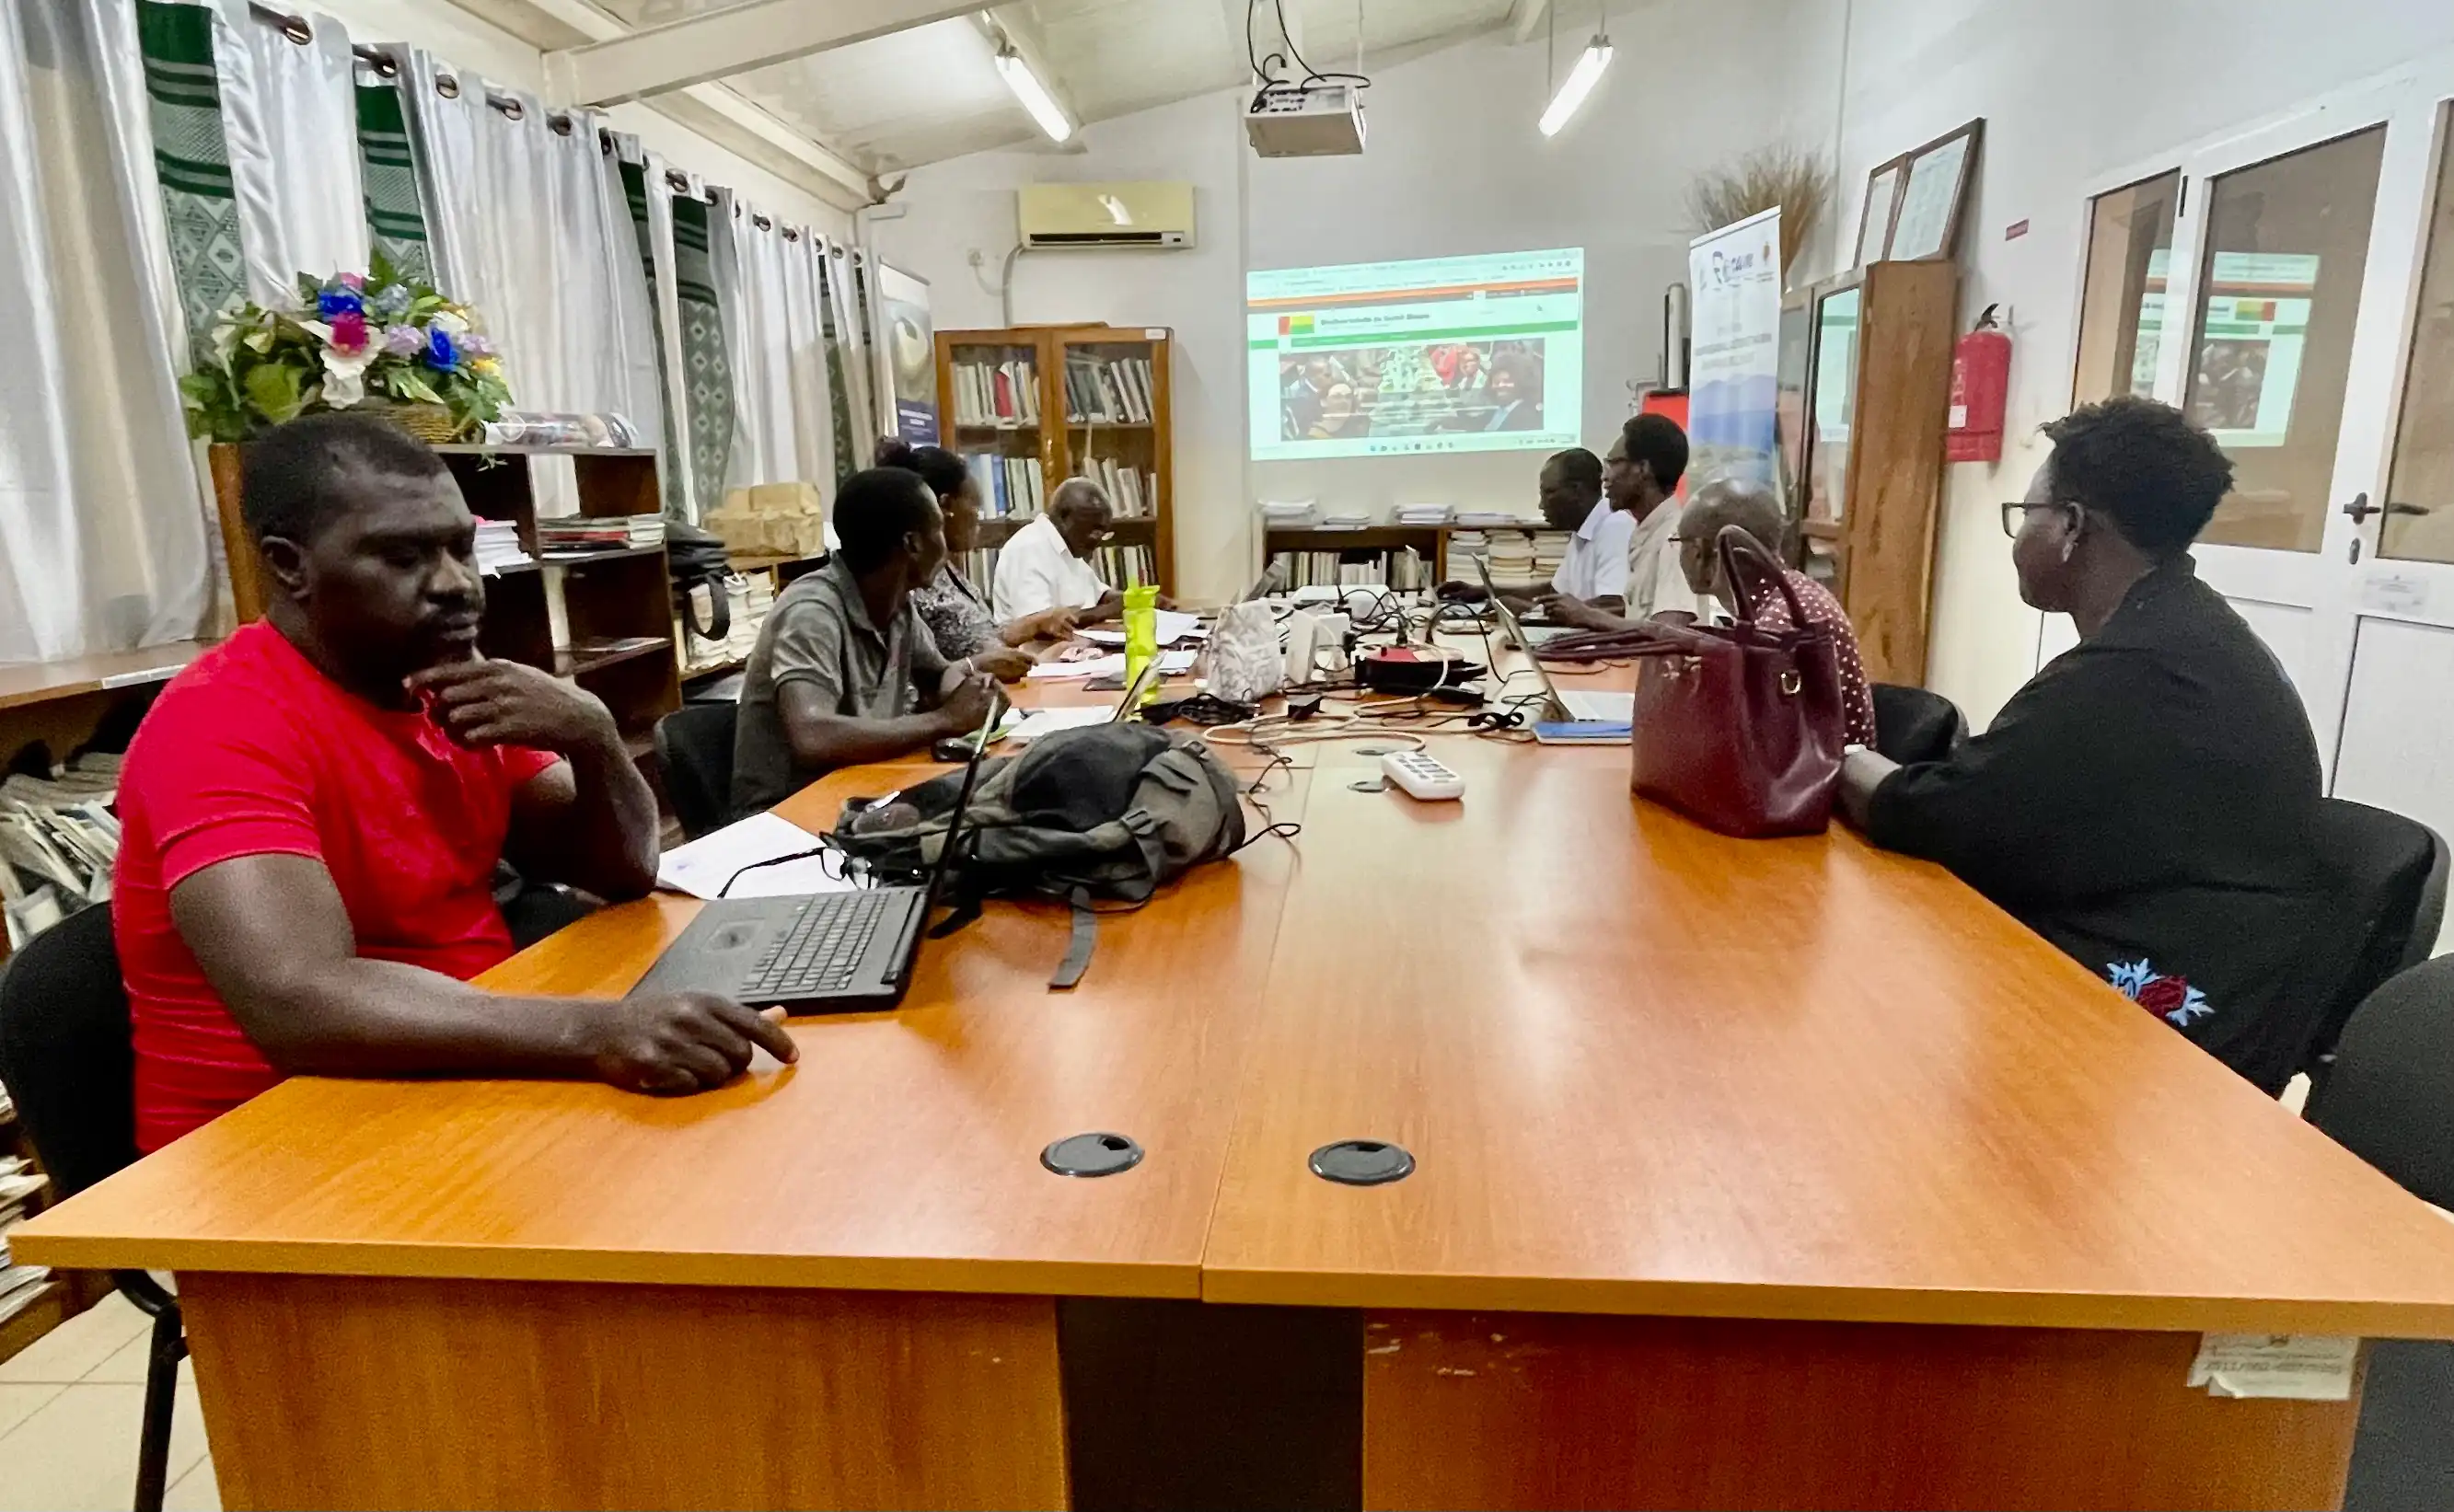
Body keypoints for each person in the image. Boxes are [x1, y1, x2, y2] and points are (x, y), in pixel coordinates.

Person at [112, 413, 795, 1151]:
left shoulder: (442, 684)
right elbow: (298, 999)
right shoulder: (221, 722)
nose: (456, 584)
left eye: (461, 547)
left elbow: (624, 869)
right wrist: (594, 1028)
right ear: (289, 566)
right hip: (279, 1147)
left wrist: (592, 734)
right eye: (404, 557)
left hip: (455, 1080)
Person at [1838, 396, 2341, 1091]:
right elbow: (2008, 793)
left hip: (2159, 1034)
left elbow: (1942, 815)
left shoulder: (2140, 666)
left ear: (2071, 526)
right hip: (2192, 967)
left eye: (2026, 516)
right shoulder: (2184, 633)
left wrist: (1843, 758)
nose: (2018, 539)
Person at [731, 467, 1000, 815]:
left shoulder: (897, 605)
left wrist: (973, 691)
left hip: (859, 788)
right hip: (787, 814)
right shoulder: (811, 612)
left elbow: (937, 675)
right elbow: (813, 736)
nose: (946, 545)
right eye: (939, 530)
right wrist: (945, 720)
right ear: (913, 544)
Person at [1673, 479, 1875, 746]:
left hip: (1819, 783)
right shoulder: (1784, 595)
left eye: (1680, 543)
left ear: (1702, 552)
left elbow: (1746, 738)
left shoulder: (1781, 624)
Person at [878, 438, 1078, 681]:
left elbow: (974, 634)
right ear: (945, 506)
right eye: (976, 507)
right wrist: (1050, 658)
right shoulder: (919, 580)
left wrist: (1034, 624)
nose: (979, 521)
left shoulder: (946, 569)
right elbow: (961, 664)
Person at [1542, 412, 1698, 625]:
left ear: (1643, 469)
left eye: (1614, 463)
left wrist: (1587, 615)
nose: (1604, 477)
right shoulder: (1645, 532)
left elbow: (1669, 634)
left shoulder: (1675, 539)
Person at [1437, 448, 1624, 617]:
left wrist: (1533, 611)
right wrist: (1486, 591)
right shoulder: (1582, 529)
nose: (1541, 505)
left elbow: (1615, 606)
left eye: (1548, 493)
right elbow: (1553, 591)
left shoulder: (1615, 526)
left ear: (1576, 490)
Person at [992, 477, 1129, 624]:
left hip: (1070, 641)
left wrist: (1136, 599)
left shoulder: (1069, 546)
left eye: (1102, 533)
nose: (1097, 540)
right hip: (1032, 645)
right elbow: (1041, 625)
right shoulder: (1029, 549)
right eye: (1093, 531)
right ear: (1063, 518)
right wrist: (1111, 610)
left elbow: (1100, 596)